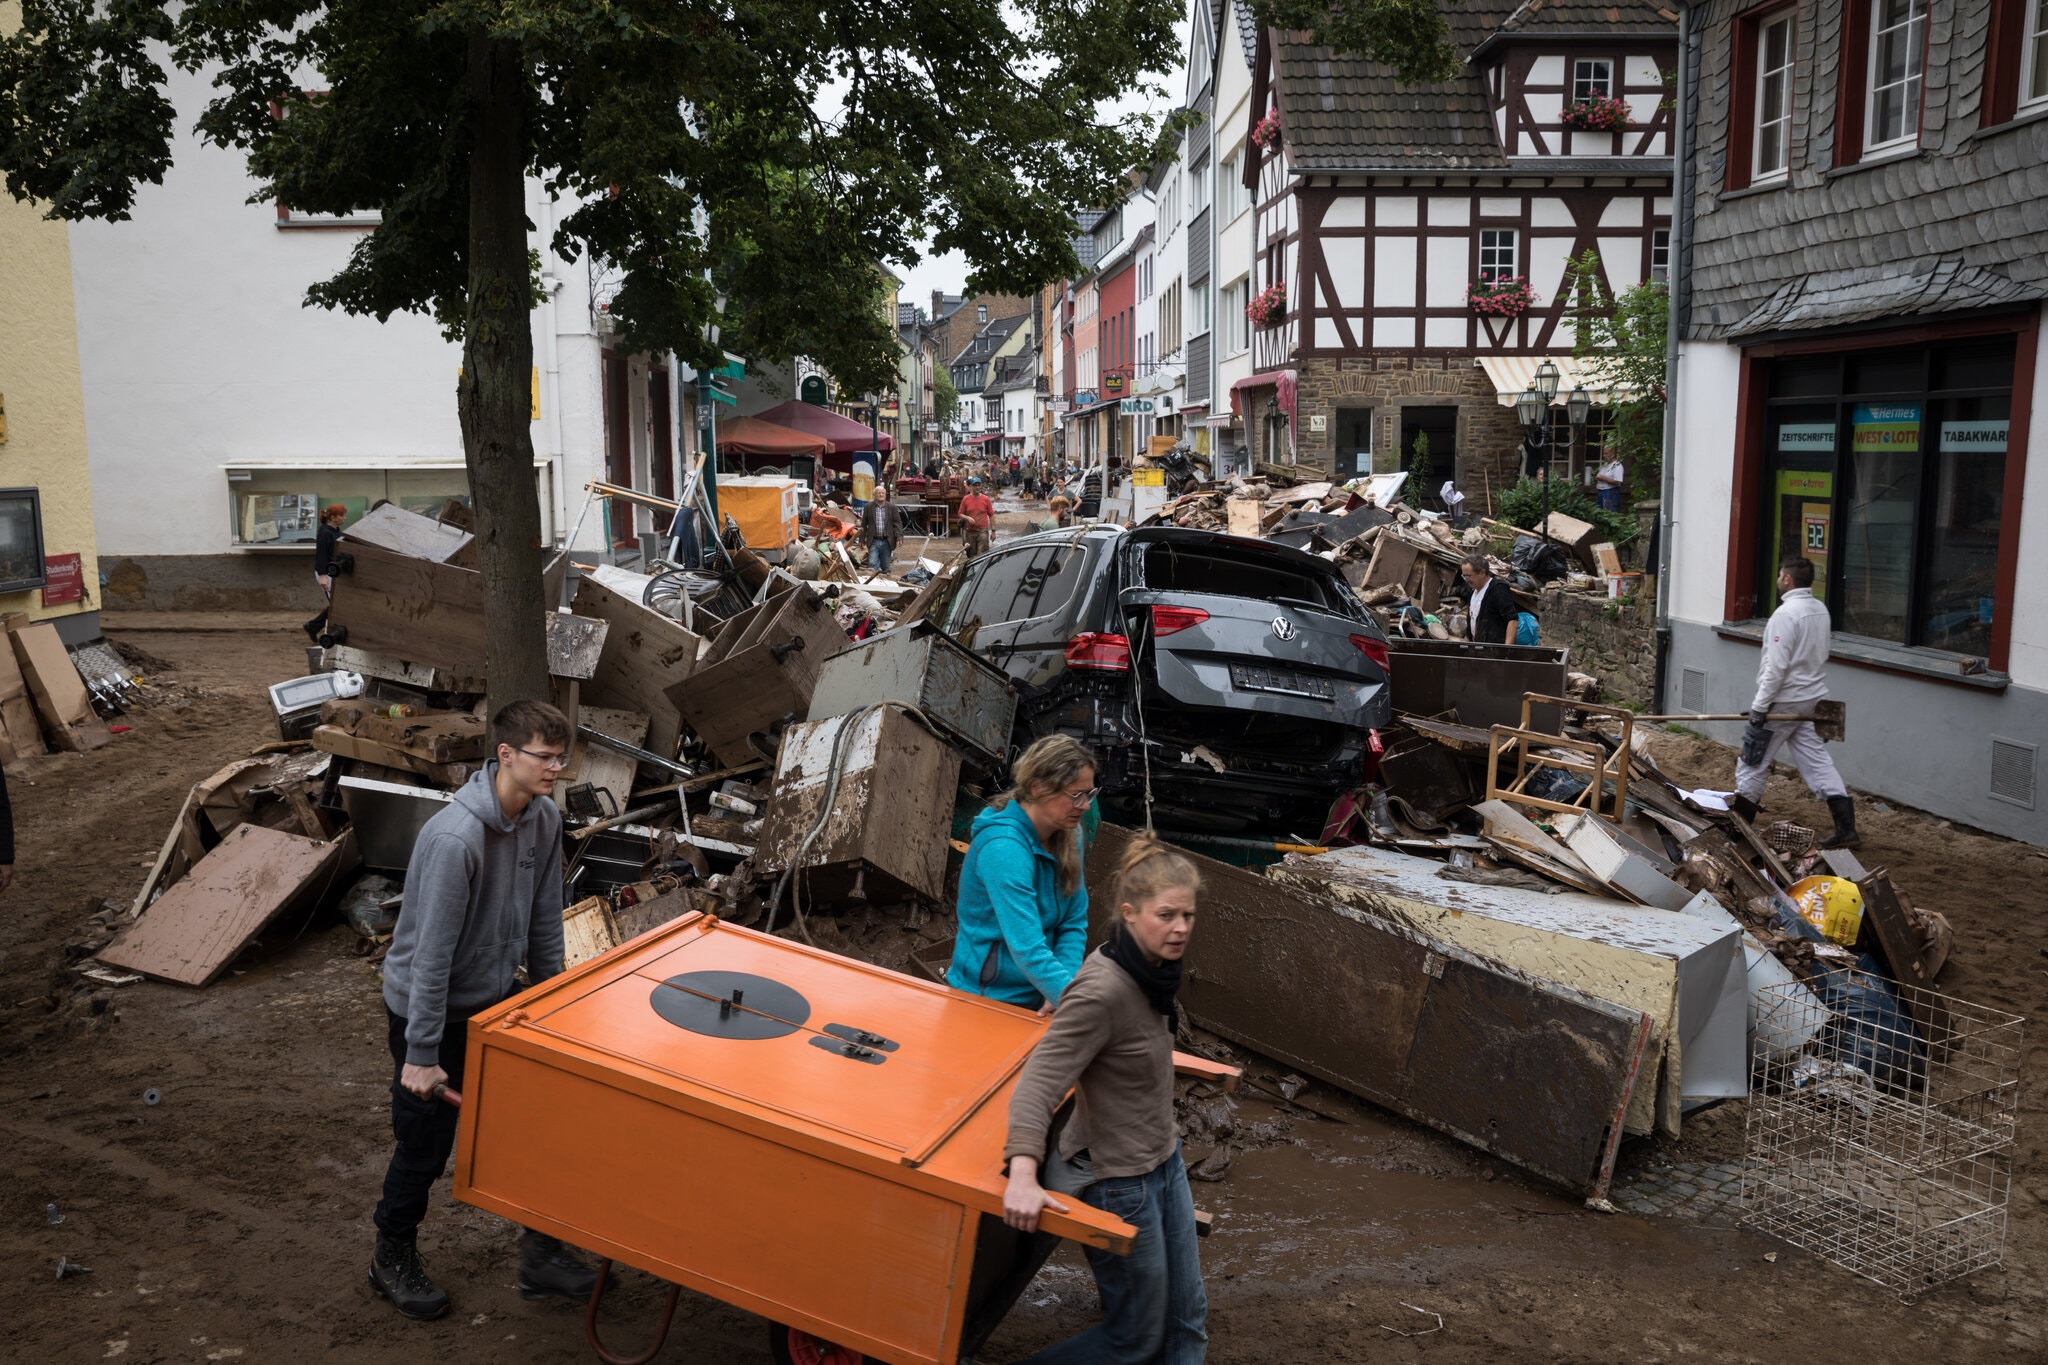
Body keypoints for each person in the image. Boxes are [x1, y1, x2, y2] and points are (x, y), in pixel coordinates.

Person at [370, 700, 598, 1319]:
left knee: (533, 1123)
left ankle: (541, 1256)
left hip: (494, 1002)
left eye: (561, 758)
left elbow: (545, 920)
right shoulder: (455, 840)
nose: (556, 768)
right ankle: (391, 1255)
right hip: (430, 1011)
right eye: (544, 757)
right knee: (425, 1144)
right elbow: (431, 958)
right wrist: (421, 1055)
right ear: (505, 754)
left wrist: (553, 1006)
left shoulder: (543, 819)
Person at [1002, 834, 1208, 1365]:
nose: (1180, 927)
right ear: (1130, 913)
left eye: (1187, 914)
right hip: (1119, 1181)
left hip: (1164, 1160)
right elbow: (1039, 1082)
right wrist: (1022, 1173)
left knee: (1186, 1322)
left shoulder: (1152, 970)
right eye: (1166, 915)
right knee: (1132, 1339)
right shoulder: (1103, 990)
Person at [946, 735, 1094, 1013]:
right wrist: (1075, 1005)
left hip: (1042, 997)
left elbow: (1073, 921)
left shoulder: (1070, 834)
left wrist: (1061, 989)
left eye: (1089, 794)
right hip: (985, 1000)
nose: (1085, 805)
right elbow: (1027, 946)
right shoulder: (1003, 848)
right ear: (1037, 788)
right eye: (1076, 795)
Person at [1734, 556, 1857, 848]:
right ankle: (1847, 830)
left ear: (1787, 579)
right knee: (1817, 762)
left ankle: (1739, 829)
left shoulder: (1786, 614)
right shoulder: (1820, 610)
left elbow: (1776, 667)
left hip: (1784, 702)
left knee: (1752, 763)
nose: (1778, 579)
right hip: (1812, 700)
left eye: (1780, 575)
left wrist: (1760, 707)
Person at [302, 503, 348, 643]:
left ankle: (314, 626)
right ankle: (315, 626)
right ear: (333, 517)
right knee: (337, 605)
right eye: (342, 516)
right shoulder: (325, 533)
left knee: (339, 604)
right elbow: (321, 555)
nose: (344, 518)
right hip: (327, 573)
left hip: (333, 572)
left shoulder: (336, 531)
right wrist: (323, 576)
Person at [1460, 552, 1515, 645]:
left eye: (1468, 576)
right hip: (1478, 648)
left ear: (1482, 572)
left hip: (1495, 649)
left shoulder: (1498, 590)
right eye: (1464, 576)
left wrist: (1507, 649)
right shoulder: (1473, 592)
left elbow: (1512, 620)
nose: (1466, 580)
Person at [860, 483, 903, 573]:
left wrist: (899, 537)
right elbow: (863, 525)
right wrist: (862, 540)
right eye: (879, 493)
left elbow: (897, 523)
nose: (881, 495)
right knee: (872, 564)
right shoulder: (868, 507)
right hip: (873, 540)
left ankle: (885, 579)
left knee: (886, 567)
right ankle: (873, 580)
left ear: (885, 495)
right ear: (874, 495)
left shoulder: (892, 507)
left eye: (883, 493)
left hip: (887, 541)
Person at [959, 477, 995, 559]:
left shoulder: (986, 499)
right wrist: (968, 518)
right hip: (970, 532)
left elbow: (991, 515)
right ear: (971, 486)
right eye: (975, 485)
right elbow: (960, 513)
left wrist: (993, 531)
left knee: (981, 555)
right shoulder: (966, 499)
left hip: (982, 531)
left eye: (979, 485)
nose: (977, 487)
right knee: (971, 556)